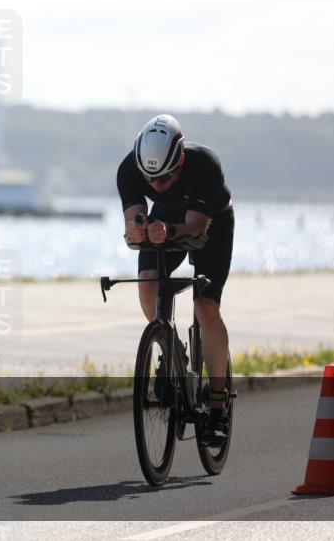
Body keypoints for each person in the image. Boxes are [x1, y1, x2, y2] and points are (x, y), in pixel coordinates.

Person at [116, 114, 234, 444]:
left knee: (205, 308)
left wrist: (168, 231)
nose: (156, 186)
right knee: (148, 285)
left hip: (211, 223)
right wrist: (136, 230)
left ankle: (216, 404)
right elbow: (132, 223)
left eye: (165, 178)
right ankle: (171, 351)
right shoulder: (129, 170)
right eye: (149, 179)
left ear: (180, 160)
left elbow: (196, 228)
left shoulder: (205, 165)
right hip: (165, 219)